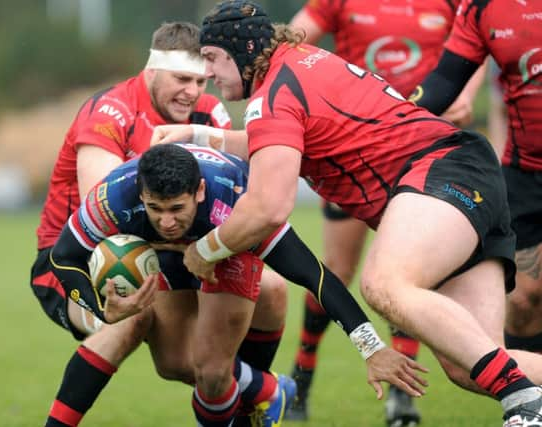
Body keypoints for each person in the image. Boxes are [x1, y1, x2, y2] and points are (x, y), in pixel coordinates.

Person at [152, 1, 542, 425]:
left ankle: (523, 400)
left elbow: (267, 208)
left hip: (442, 173)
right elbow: (277, 142)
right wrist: (199, 134)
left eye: (211, 58)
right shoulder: (298, 65)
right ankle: (522, 390)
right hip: (464, 173)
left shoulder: (275, 93)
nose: (208, 73)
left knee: (384, 283)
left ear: (241, 51)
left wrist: (204, 251)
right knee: (474, 363)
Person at [50, 143, 429, 426]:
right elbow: (62, 256)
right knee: (173, 365)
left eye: (176, 209)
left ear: (198, 191)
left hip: (227, 244)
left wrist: (371, 347)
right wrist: (101, 309)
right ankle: (270, 390)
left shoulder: (236, 204)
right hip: (170, 256)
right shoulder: (115, 195)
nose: (165, 220)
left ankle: (252, 395)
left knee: (213, 373)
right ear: (141, 196)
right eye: (155, 209)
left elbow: (315, 276)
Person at [30, 21, 290, 427]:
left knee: (272, 290)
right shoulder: (111, 112)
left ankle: (253, 403)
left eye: (201, 80)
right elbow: (108, 226)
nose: (193, 91)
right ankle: (266, 390)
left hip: (175, 253)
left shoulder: (207, 112)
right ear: (151, 71)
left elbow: (228, 193)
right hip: (81, 261)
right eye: (181, 78)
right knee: (153, 334)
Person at [286, 1, 487, 423]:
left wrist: (465, 95)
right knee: (336, 270)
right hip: (354, 154)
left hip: (424, 153)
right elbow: (290, 41)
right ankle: (301, 378)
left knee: (407, 276)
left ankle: (401, 395)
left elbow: (478, 42)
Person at [410, 0, 542, 379]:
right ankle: (532, 405)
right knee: (523, 303)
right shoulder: (481, 7)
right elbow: (446, 80)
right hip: (525, 174)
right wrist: (394, 114)